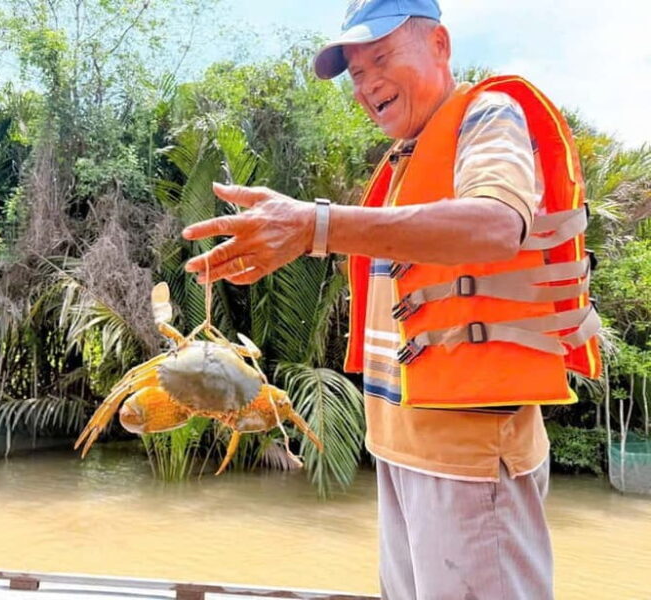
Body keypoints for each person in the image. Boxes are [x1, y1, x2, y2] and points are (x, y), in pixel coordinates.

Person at [181, 1, 601, 598]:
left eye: (381, 56)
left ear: (440, 45)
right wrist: (297, 236)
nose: (368, 82)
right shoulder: (405, 160)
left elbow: (495, 224)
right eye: (355, 72)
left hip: (470, 461)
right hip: (400, 454)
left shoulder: (487, 116)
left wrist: (315, 226)